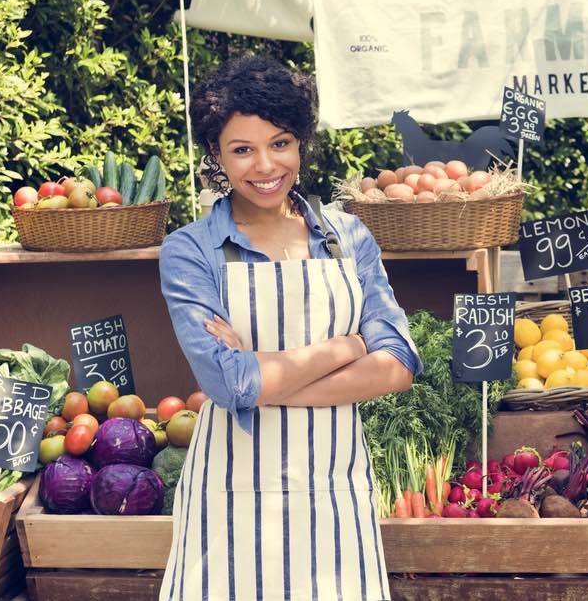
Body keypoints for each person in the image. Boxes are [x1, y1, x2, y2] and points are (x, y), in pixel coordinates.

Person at [157, 56, 419, 600]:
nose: (264, 165)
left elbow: (397, 365)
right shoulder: (192, 250)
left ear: (300, 144)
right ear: (216, 156)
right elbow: (227, 385)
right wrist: (350, 345)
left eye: (279, 143)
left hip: (333, 487)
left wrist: (261, 379)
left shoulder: (348, 237)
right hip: (231, 493)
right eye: (242, 149)